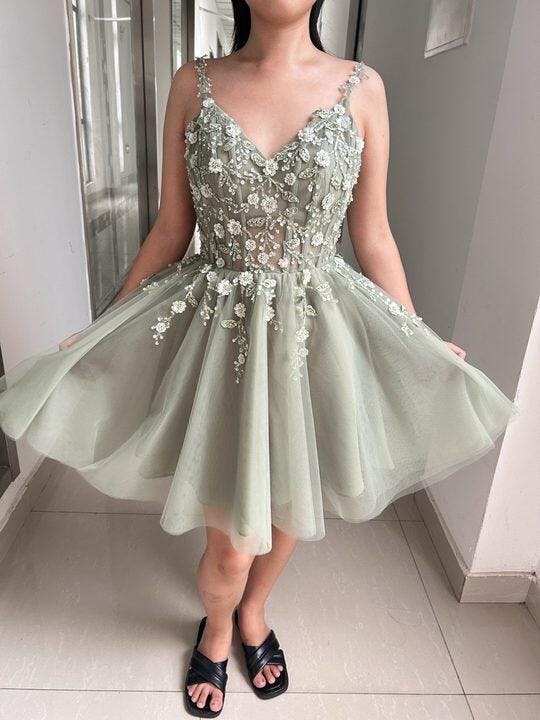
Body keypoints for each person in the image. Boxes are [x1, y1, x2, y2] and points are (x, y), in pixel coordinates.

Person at [0, 0, 519, 716]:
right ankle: (217, 625)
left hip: (316, 337)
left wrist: (416, 332)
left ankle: (253, 612)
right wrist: (106, 322)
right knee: (229, 542)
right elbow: (171, 229)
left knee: (288, 506)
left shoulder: (363, 87)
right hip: (221, 338)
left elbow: (373, 235)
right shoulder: (193, 83)